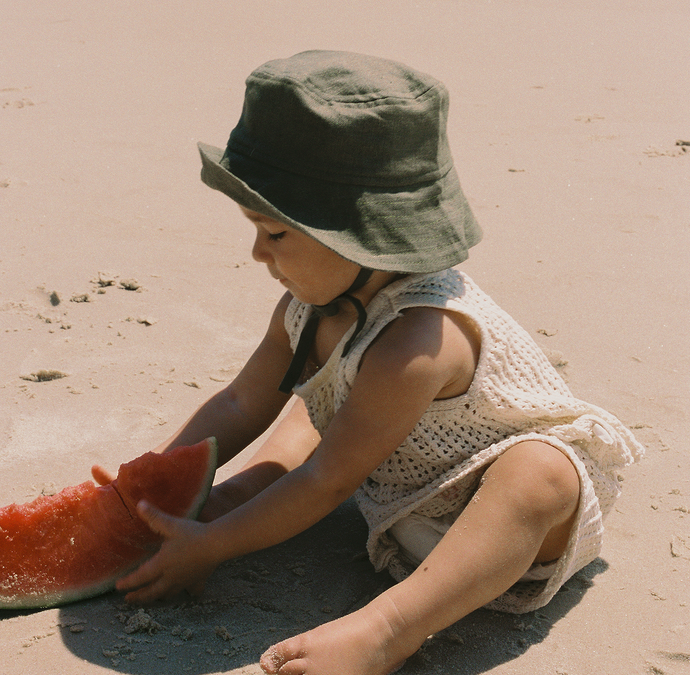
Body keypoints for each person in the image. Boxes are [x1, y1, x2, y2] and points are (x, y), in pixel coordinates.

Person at [100, 50, 642, 675]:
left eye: (275, 234)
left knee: (540, 471)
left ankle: (389, 627)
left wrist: (215, 548)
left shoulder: (419, 339)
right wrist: (150, 481)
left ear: (353, 235)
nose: (256, 252)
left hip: (507, 528)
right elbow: (240, 402)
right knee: (314, 406)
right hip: (398, 487)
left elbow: (327, 482)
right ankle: (228, 505)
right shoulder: (305, 308)